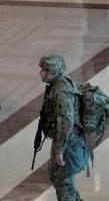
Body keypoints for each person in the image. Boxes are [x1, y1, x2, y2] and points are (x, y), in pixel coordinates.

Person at [38, 54, 89, 201]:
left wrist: (59, 150)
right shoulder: (58, 84)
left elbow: (66, 122)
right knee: (55, 175)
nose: (40, 73)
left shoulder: (62, 92)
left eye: (44, 70)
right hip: (64, 140)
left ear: (53, 71)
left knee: (63, 182)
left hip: (68, 143)